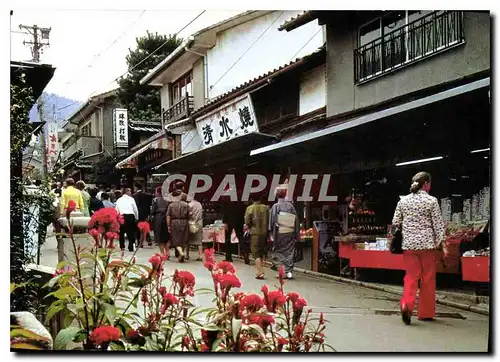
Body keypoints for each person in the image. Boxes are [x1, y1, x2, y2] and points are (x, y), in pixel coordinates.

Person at [392, 171, 446, 325]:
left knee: (411, 277)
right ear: (426, 184)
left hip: (409, 246)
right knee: (428, 278)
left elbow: (395, 222)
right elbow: (438, 225)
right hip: (427, 246)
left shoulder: (403, 201)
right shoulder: (432, 201)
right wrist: (439, 242)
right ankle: (426, 313)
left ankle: (406, 305)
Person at [269, 185, 299, 280]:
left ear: (277, 196)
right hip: (289, 231)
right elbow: (296, 220)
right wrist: (296, 232)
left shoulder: (275, 206)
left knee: (278, 251)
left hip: (279, 232)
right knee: (289, 251)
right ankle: (288, 271)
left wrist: (271, 233)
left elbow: (273, 221)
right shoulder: (290, 206)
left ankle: (282, 271)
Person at [245, 193, 270, 279]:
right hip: (264, 232)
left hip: (255, 232)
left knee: (255, 252)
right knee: (262, 251)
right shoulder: (265, 208)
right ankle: (261, 269)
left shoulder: (249, 208)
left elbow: (247, 221)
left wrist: (249, 226)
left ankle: (260, 271)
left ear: (252, 199)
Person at [166, 191, 190, 262]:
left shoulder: (171, 205)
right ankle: (181, 254)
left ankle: (181, 253)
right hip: (184, 222)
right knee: (183, 239)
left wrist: (168, 226)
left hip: (174, 222)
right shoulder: (186, 205)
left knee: (176, 239)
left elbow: (168, 216)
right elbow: (189, 215)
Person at [151, 187, 169, 256]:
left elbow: (152, 210)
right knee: (166, 237)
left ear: (158, 192)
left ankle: (162, 253)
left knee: (159, 237)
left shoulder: (155, 200)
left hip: (158, 219)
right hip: (166, 218)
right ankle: (167, 252)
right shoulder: (167, 200)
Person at [187, 195, 204, 261]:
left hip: (191, 223)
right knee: (199, 241)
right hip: (199, 223)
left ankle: (187, 255)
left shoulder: (189, 205)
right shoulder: (199, 204)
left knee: (187, 241)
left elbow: (188, 214)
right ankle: (200, 256)